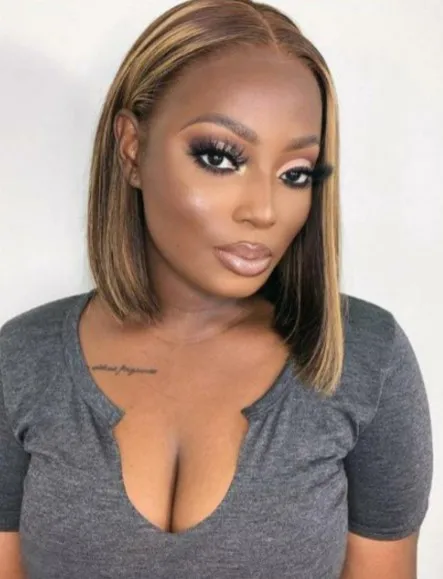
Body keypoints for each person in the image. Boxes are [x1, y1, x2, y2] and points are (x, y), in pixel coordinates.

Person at [0, 0, 433, 577]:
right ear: (131, 148)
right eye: (220, 158)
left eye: (295, 174)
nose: (264, 210)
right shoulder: (21, 361)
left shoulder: (365, 361)